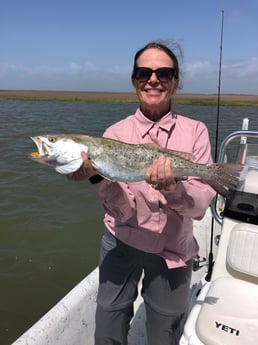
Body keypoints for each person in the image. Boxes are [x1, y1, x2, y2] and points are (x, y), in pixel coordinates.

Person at [68, 41, 216, 345]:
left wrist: (174, 190)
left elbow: (200, 208)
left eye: (163, 73)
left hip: (174, 247)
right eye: (143, 72)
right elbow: (122, 211)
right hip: (122, 241)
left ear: (176, 82)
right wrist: (96, 177)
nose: (153, 79)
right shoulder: (113, 135)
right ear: (134, 80)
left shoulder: (196, 132)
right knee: (108, 321)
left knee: (164, 330)